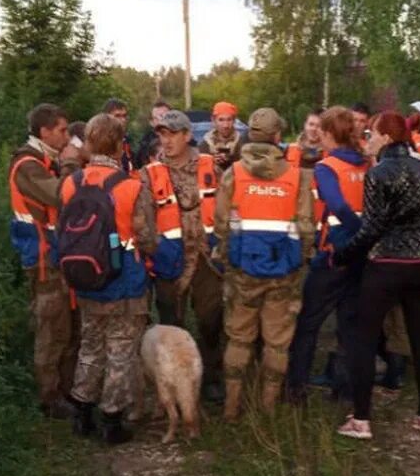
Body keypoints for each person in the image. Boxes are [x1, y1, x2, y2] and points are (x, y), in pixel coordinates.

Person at [332, 111, 420, 440]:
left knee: (364, 340)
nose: (368, 139)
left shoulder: (378, 174)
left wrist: (345, 253)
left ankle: (361, 420)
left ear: (386, 137)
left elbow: (372, 228)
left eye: (372, 133)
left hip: (384, 265)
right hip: (418, 264)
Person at [60, 114, 158, 444]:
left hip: (85, 279)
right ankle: (112, 420)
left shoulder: (71, 183)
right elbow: (147, 238)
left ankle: (82, 413)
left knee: (90, 345)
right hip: (124, 282)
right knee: (121, 350)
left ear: (88, 143)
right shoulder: (131, 186)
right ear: (119, 145)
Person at [215, 107, 316, 420]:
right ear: (276, 137)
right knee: (277, 343)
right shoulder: (295, 176)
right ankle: (268, 409)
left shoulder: (234, 173)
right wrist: (301, 262)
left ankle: (231, 409)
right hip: (283, 273)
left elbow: (221, 224)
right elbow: (306, 228)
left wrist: (230, 262)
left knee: (238, 338)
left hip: (242, 271)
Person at [140, 110, 226, 403]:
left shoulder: (210, 166)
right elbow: (141, 217)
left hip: (205, 258)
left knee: (211, 320)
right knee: (171, 324)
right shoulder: (149, 174)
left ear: (187, 135)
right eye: (161, 134)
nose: (166, 140)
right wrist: (152, 251)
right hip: (169, 259)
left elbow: (229, 206)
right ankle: (175, 383)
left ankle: (212, 377)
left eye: (172, 133)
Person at [285, 106, 368, 404]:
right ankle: (344, 389)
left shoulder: (327, 167)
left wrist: (358, 231)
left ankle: (296, 388)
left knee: (308, 323)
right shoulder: (364, 164)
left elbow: (339, 206)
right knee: (349, 324)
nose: (318, 134)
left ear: (332, 134)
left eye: (322, 130)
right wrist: (366, 237)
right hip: (360, 258)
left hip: (333, 255)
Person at [8, 103, 81, 419]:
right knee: (51, 329)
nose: (67, 137)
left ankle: (67, 390)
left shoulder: (44, 161)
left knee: (66, 327)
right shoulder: (28, 165)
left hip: (58, 257)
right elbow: (59, 195)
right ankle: (49, 398)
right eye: (63, 130)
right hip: (42, 261)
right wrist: (69, 166)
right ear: (45, 132)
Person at [200, 101, 243, 172]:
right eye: (221, 120)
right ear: (213, 120)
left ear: (234, 121)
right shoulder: (205, 145)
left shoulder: (242, 142)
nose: (225, 125)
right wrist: (211, 161)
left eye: (229, 120)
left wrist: (231, 159)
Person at [135, 100, 171, 170]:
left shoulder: (181, 138)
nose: (162, 120)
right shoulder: (145, 144)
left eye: (165, 116)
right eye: (158, 117)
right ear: (152, 122)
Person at [103, 98, 135, 173]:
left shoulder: (126, 141)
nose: (123, 120)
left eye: (124, 116)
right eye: (117, 116)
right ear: (106, 118)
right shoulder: (102, 143)